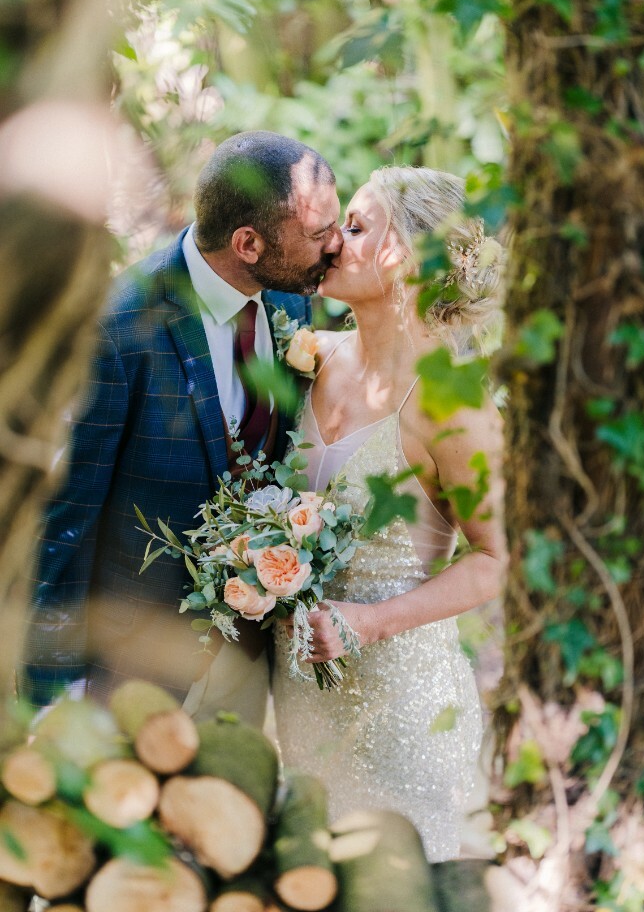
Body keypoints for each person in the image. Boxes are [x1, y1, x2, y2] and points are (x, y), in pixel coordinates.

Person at [21, 130, 343, 724]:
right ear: (247, 243)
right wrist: (50, 689)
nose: (336, 246)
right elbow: (68, 513)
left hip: (249, 659)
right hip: (132, 666)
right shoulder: (122, 327)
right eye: (320, 234)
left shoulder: (291, 302)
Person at [272, 165, 508, 862]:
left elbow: (499, 559)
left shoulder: (453, 404)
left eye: (354, 227)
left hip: (402, 705)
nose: (330, 242)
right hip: (302, 694)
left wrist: (368, 621)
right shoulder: (317, 356)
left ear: (406, 256)